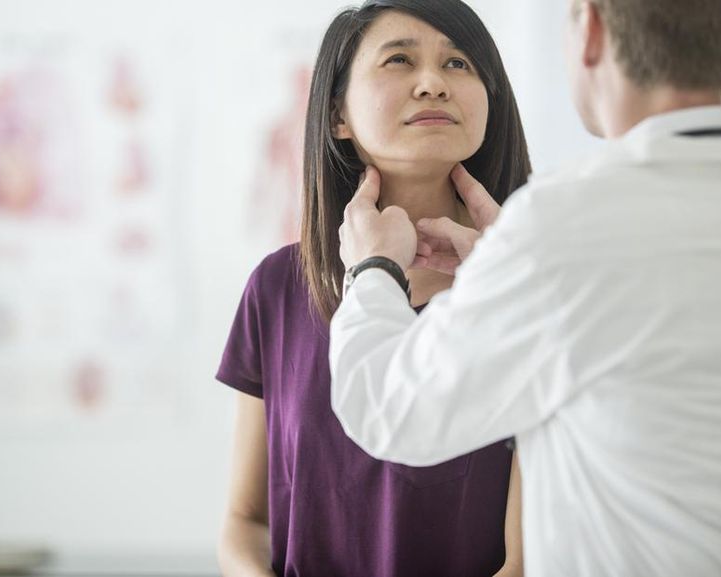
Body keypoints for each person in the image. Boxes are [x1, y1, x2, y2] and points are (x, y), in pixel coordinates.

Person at [330, 0, 721, 576]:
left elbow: (388, 408)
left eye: (459, 63)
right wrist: (509, 270)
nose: (434, 83)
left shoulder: (563, 228)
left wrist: (373, 268)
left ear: (591, 29)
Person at [215, 1, 532, 576]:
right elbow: (245, 521)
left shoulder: (529, 291)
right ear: (338, 113)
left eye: (460, 63)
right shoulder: (277, 288)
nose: (433, 83)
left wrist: (517, 287)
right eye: (400, 60)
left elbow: (528, 559)